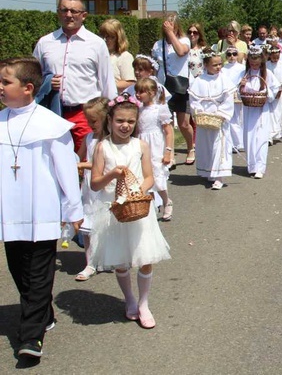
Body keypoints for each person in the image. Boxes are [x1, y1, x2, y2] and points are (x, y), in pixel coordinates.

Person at [0, 57, 84, 360]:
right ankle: (43, 313)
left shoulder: (51, 125)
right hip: (10, 211)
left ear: (28, 88)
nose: (0, 87)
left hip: (43, 210)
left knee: (38, 273)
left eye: (5, 82)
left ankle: (31, 338)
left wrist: (73, 211)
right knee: (18, 269)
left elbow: (65, 169)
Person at [89, 93, 171, 330]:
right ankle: (130, 299)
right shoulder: (103, 147)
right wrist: (111, 175)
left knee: (145, 258)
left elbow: (148, 177)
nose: (125, 126)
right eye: (119, 121)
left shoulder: (140, 145)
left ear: (136, 123)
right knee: (122, 260)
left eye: (131, 122)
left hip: (138, 208)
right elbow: (95, 184)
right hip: (114, 210)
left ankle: (144, 303)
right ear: (110, 121)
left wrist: (135, 192)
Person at [33, 0, 117, 150]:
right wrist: (47, 82)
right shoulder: (45, 43)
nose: (69, 15)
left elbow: (106, 80)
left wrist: (110, 113)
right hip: (53, 112)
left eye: (74, 11)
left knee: (87, 162)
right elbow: (32, 76)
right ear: (58, 13)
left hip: (85, 113)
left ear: (83, 15)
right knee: (54, 159)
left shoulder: (96, 44)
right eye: (64, 10)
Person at [75, 97, 109, 282]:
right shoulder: (89, 138)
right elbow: (79, 156)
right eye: (88, 120)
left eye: (94, 121)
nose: (90, 124)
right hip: (89, 188)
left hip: (103, 186)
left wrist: (83, 165)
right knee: (88, 226)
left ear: (105, 118)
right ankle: (90, 263)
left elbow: (104, 165)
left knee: (104, 224)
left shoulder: (109, 141)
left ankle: (105, 257)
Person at [151, 16, 194, 165]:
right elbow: (155, 66)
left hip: (181, 87)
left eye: (172, 26)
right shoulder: (158, 45)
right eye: (166, 26)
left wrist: (171, 34)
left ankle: (190, 148)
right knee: (167, 123)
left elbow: (181, 52)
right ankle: (170, 153)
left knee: (183, 124)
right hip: (164, 87)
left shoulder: (184, 40)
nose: (168, 28)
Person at [189, 52, 234, 190]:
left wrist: (220, 114)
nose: (218, 67)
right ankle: (209, 171)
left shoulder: (224, 80)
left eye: (220, 64)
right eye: (214, 65)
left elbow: (228, 100)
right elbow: (194, 100)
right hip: (204, 118)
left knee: (219, 147)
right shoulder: (199, 80)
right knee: (205, 146)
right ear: (206, 65)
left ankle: (219, 177)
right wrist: (200, 111)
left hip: (218, 118)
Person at [134, 78, 174, 219]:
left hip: (156, 146)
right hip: (142, 144)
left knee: (158, 176)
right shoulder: (138, 109)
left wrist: (168, 151)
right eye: (136, 92)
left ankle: (166, 201)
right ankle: (151, 206)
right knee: (145, 176)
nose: (138, 95)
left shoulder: (160, 109)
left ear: (151, 93)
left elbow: (168, 132)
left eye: (141, 92)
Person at [240, 46, 280, 179]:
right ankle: (251, 166)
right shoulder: (244, 74)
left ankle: (260, 167)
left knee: (261, 137)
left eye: (257, 64)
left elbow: (275, 88)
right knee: (249, 137)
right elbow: (237, 92)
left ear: (261, 62)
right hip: (249, 109)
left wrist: (267, 94)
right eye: (252, 63)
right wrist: (242, 85)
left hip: (262, 109)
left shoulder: (267, 73)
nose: (254, 66)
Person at [100, 19, 136, 92]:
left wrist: (104, 85)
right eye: (104, 36)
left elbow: (130, 83)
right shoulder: (99, 54)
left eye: (110, 37)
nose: (106, 40)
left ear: (118, 38)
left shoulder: (125, 56)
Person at [222, 48, 246, 153]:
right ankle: (233, 143)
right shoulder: (223, 68)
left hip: (239, 94)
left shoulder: (242, 68)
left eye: (234, 54)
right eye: (229, 54)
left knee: (240, 118)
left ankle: (241, 142)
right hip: (228, 95)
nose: (232, 56)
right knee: (230, 119)